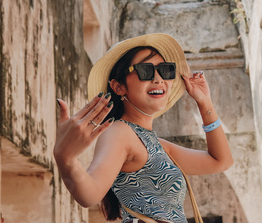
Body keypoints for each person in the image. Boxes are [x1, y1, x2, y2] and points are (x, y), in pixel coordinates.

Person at [53, 33, 234, 222]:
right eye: (145, 70)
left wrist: (205, 103)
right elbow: (90, 194)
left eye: (166, 70)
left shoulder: (158, 146)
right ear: (118, 87)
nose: (158, 79)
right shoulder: (120, 132)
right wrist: (65, 157)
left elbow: (221, 161)